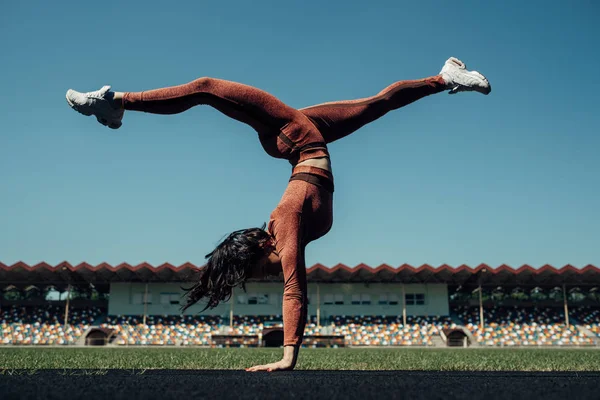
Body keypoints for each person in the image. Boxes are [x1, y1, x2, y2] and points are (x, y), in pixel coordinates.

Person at [66, 57, 490, 371]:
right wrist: (289, 355)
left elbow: (292, 290)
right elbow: (294, 284)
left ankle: (116, 102)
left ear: (262, 244)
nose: (273, 273)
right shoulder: (288, 232)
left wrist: (289, 356)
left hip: (295, 139)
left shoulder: (285, 224)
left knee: (205, 86)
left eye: (260, 269)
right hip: (300, 140)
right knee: (377, 104)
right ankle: (443, 78)